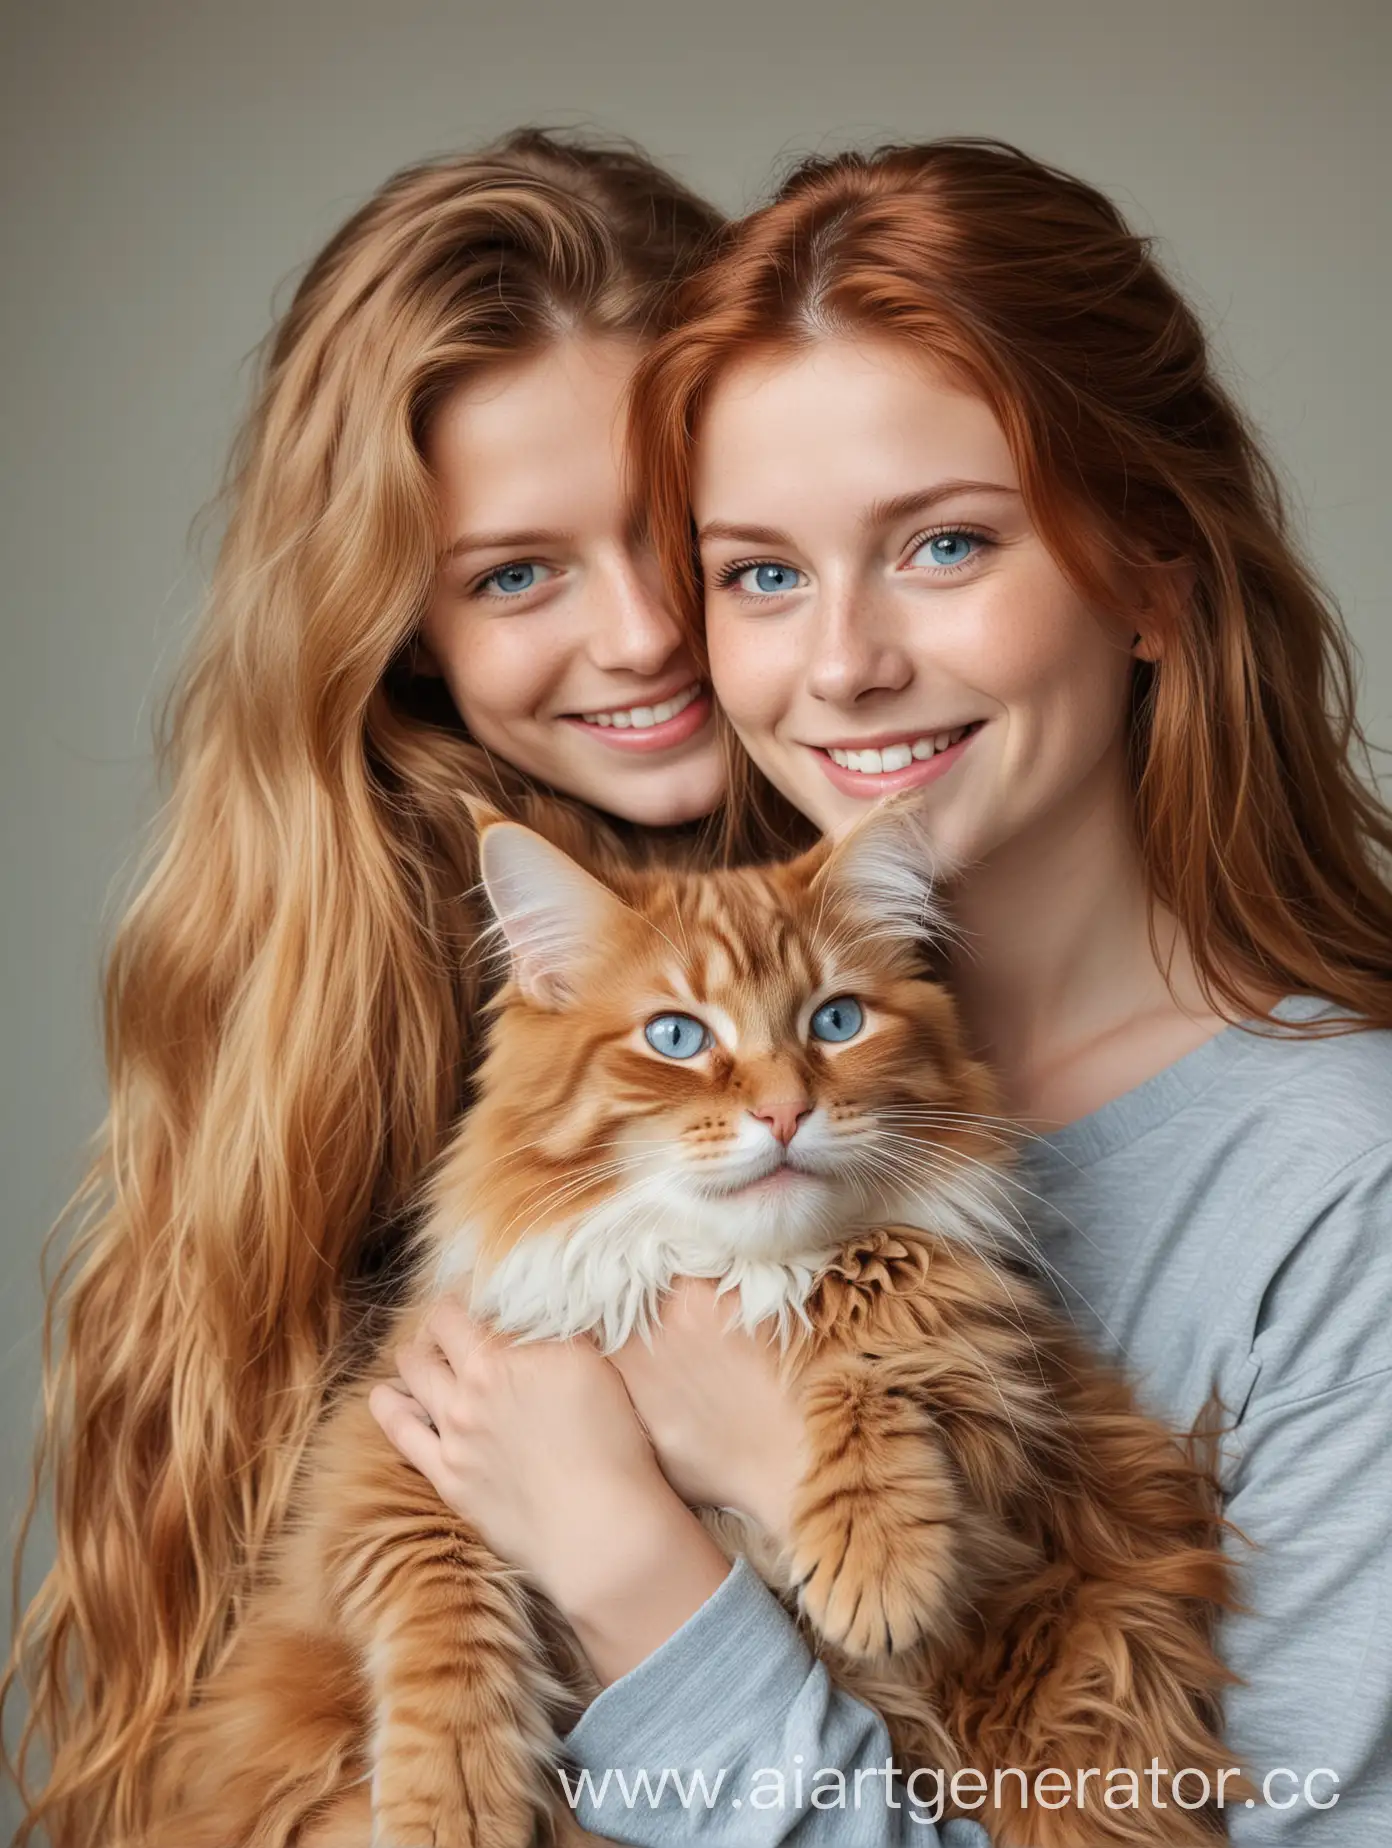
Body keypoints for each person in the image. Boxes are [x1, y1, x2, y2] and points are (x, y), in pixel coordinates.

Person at [371, 142, 1392, 1845]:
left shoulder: (1335, 1186)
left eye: (944, 546)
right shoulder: (614, 1065)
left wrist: (656, 1565)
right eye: (762, 572)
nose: (842, 663)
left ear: (1150, 567)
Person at [1, 128, 738, 1848]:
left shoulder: (933, 869)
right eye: (516, 573)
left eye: (683, 530)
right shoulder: (384, 960)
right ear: (404, 623)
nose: (640, 632)